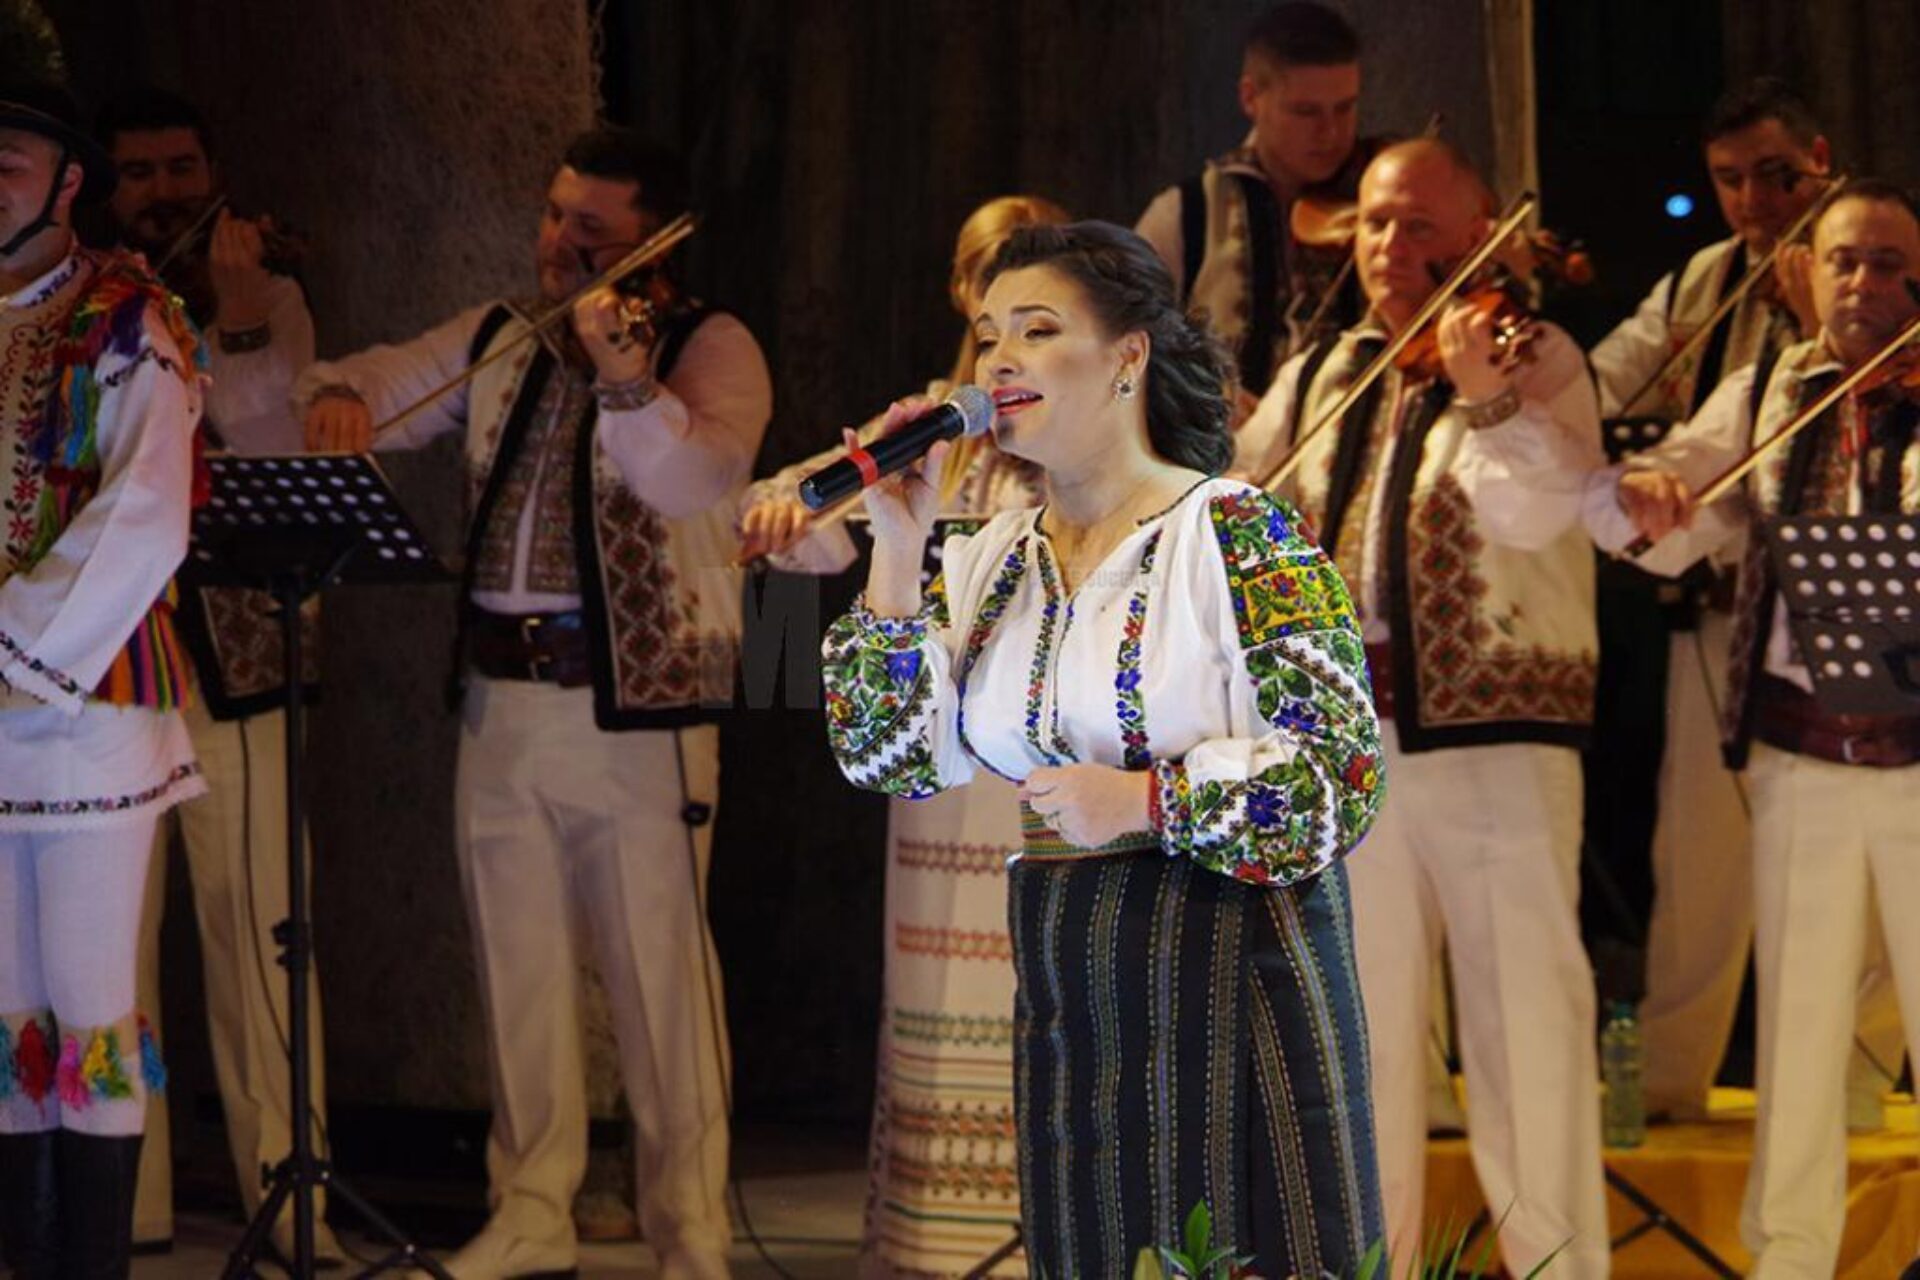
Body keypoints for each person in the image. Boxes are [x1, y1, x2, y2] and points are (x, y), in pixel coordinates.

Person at [820, 219, 1385, 1278]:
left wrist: (1147, 801)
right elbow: (887, 758)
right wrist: (897, 550)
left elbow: (1339, 779)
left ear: (1128, 355)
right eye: (989, 335)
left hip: (1228, 952)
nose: (1000, 361)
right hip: (1069, 965)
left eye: (1038, 330)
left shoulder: (1237, 532)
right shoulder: (985, 558)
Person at [297, 128, 771, 1280]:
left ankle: (690, 1231)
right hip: (498, 700)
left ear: (655, 241)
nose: (560, 241)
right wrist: (340, 397)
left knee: (661, 983)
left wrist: (625, 376)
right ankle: (529, 1210)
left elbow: (688, 479)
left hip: (636, 716)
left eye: (592, 228)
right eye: (556, 214)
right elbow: (375, 382)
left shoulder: (711, 343)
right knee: (516, 972)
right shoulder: (499, 333)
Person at [1239, 138, 1610, 1277]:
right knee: (1361, 1045)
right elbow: (1243, 500)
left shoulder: (1535, 353)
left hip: (1497, 747)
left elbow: (1545, 509)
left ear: (1480, 237)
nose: (1390, 245)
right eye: (1375, 222)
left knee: (1527, 1041)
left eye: (1419, 226)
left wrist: (1485, 396)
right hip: (1353, 749)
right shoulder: (1327, 368)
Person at [1587, 179, 1920, 1280]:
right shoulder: (1770, 387)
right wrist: (1649, 494)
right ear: (1806, 272)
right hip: (1798, 745)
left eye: (1888, 263)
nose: (1864, 283)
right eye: (1844, 261)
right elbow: (1672, 502)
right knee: (1801, 1021)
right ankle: (1791, 1257)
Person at [738, 194, 1061, 1279]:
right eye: (990, 285)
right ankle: (934, 1253)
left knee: (1040, 1005)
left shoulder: (1079, 426)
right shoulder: (931, 423)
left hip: (1050, 764)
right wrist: (784, 512)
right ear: (964, 296)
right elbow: (799, 515)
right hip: (941, 770)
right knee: (938, 1007)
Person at [93, 85, 342, 1264]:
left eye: (183, 168)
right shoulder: (79, 302)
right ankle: (119, 1204)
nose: (166, 192)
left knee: (262, 934)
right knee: (109, 945)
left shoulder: (268, 291)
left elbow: (276, 444)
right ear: (101, 188)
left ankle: (290, 1201)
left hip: (238, 656)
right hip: (105, 667)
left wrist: (238, 320)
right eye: (140, 173)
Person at [0, 81, 205, 1279]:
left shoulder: (128, 318)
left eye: (9, 161)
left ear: (69, 181)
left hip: (86, 710)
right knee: (7, 1014)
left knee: (88, 1007)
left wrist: (15, 642)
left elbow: (147, 509)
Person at [1135, 1, 1375, 398]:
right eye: (1306, 112)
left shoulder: (1382, 199)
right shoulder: (1185, 214)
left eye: (1345, 108)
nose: (1331, 133)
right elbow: (1117, 345)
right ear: (1251, 97)